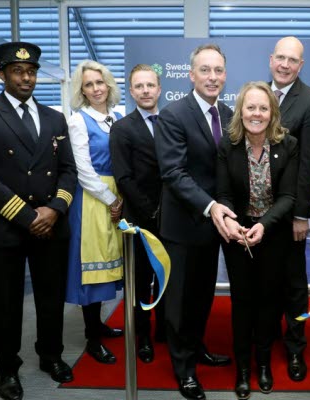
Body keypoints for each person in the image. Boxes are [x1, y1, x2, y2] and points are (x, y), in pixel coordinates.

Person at [0, 42, 77, 400]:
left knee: (51, 297)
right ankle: (7, 368)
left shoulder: (54, 117)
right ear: (2, 74)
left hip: (51, 225)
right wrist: (27, 216)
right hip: (6, 226)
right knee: (5, 303)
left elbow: (68, 170)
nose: (26, 77)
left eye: (32, 71)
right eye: (18, 71)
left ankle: (50, 355)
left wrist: (55, 208)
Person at [155, 43, 235, 400]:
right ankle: (184, 368)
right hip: (184, 228)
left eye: (218, 70)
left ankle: (197, 347)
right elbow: (173, 172)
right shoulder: (173, 115)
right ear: (191, 75)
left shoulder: (230, 114)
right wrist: (212, 207)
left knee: (202, 297)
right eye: (205, 70)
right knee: (179, 302)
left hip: (213, 229)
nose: (212, 77)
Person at [217, 82, 299, 399]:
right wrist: (232, 223)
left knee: (268, 302)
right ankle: (243, 369)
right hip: (237, 235)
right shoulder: (228, 145)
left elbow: (289, 195)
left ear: (272, 112)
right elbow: (223, 193)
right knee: (242, 303)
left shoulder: (288, 144)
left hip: (273, 234)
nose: (257, 113)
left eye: (263, 108)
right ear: (241, 111)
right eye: (250, 107)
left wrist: (264, 224)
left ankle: (262, 364)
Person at [267, 36, 310, 382]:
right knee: (266, 280)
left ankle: (295, 348)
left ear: (301, 66)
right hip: (257, 213)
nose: (286, 65)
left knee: (293, 283)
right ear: (271, 59)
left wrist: (303, 214)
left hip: (291, 215)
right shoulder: (257, 94)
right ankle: (269, 334)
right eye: (281, 58)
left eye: (293, 60)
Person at [65, 60, 126, 365]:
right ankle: (91, 338)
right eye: (88, 85)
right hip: (92, 199)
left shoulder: (116, 118)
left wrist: (121, 197)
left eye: (100, 82)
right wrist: (110, 199)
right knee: (92, 267)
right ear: (82, 90)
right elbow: (82, 169)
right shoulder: (78, 120)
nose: (96, 89)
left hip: (116, 195)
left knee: (108, 263)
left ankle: (99, 324)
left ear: (109, 85)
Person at [110, 63, 166, 363]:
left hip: (173, 218)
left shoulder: (172, 121)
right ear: (131, 92)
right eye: (139, 86)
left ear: (159, 89)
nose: (146, 91)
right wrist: (151, 212)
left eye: (150, 85)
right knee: (141, 281)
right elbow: (124, 178)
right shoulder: (122, 128)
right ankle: (142, 336)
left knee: (169, 276)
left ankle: (166, 331)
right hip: (140, 218)